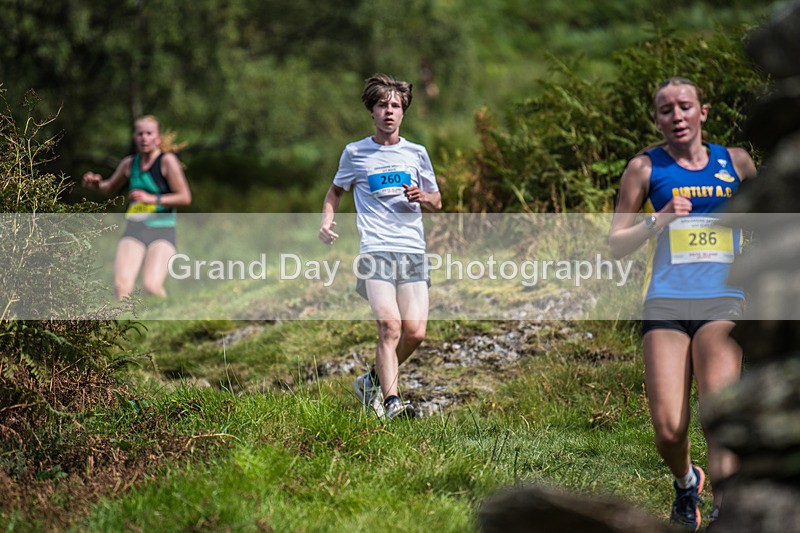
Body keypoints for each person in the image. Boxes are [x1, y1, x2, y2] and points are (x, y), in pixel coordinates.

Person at [608, 77, 757, 530]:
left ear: (703, 112)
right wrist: (659, 219)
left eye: (685, 107)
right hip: (667, 304)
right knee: (669, 430)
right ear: (657, 119)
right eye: (666, 110)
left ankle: (723, 511)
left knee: (718, 416)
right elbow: (615, 243)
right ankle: (686, 480)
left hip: (723, 300)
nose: (677, 117)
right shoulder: (644, 168)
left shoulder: (735, 162)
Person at [319, 74, 442, 420]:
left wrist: (424, 197)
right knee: (390, 327)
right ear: (372, 112)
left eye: (396, 106)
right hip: (375, 249)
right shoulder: (355, 153)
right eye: (382, 105)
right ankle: (391, 403)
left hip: (412, 250)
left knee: (415, 332)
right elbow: (335, 192)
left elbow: (437, 201)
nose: (389, 111)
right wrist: (327, 220)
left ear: (403, 113)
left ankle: (370, 381)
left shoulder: (417, 153)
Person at [82, 115, 191, 300]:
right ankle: (126, 328)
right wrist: (95, 184)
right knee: (121, 287)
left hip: (162, 231)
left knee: (151, 286)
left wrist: (152, 199)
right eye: (140, 134)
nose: (144, 138)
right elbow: (108, 188)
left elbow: (185, 197)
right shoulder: (129, 164)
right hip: (135, 230)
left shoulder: (167, 161)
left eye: (149, 133)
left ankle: (168, 318)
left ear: (158, 137)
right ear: (135, 137)